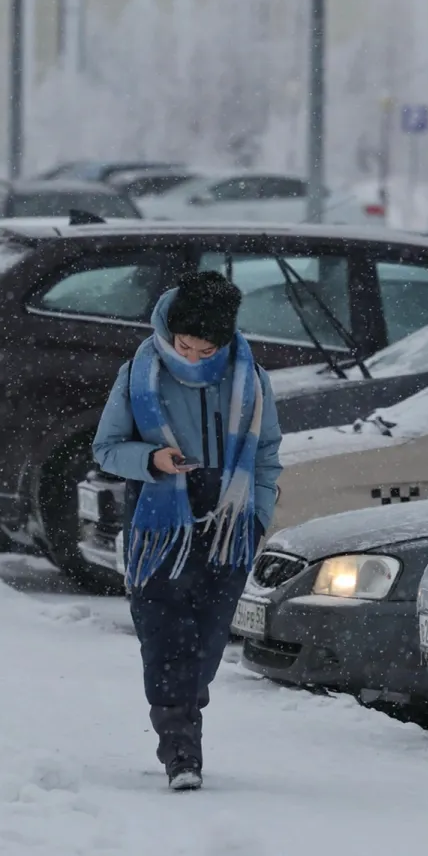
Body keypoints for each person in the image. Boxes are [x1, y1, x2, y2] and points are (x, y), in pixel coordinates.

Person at [92, 271, 283, 792]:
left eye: (206, 350)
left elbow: (266, 455)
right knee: (164, 631)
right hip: (159, 516)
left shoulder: (249, 376)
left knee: (208, 637)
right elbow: (106, 448)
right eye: (185, 346)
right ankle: (180, 747)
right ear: (169, 333)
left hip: (230, 519)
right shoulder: (139, 373)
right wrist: (151, 458)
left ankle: (184, 713)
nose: (194, 358)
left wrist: (259, 516)